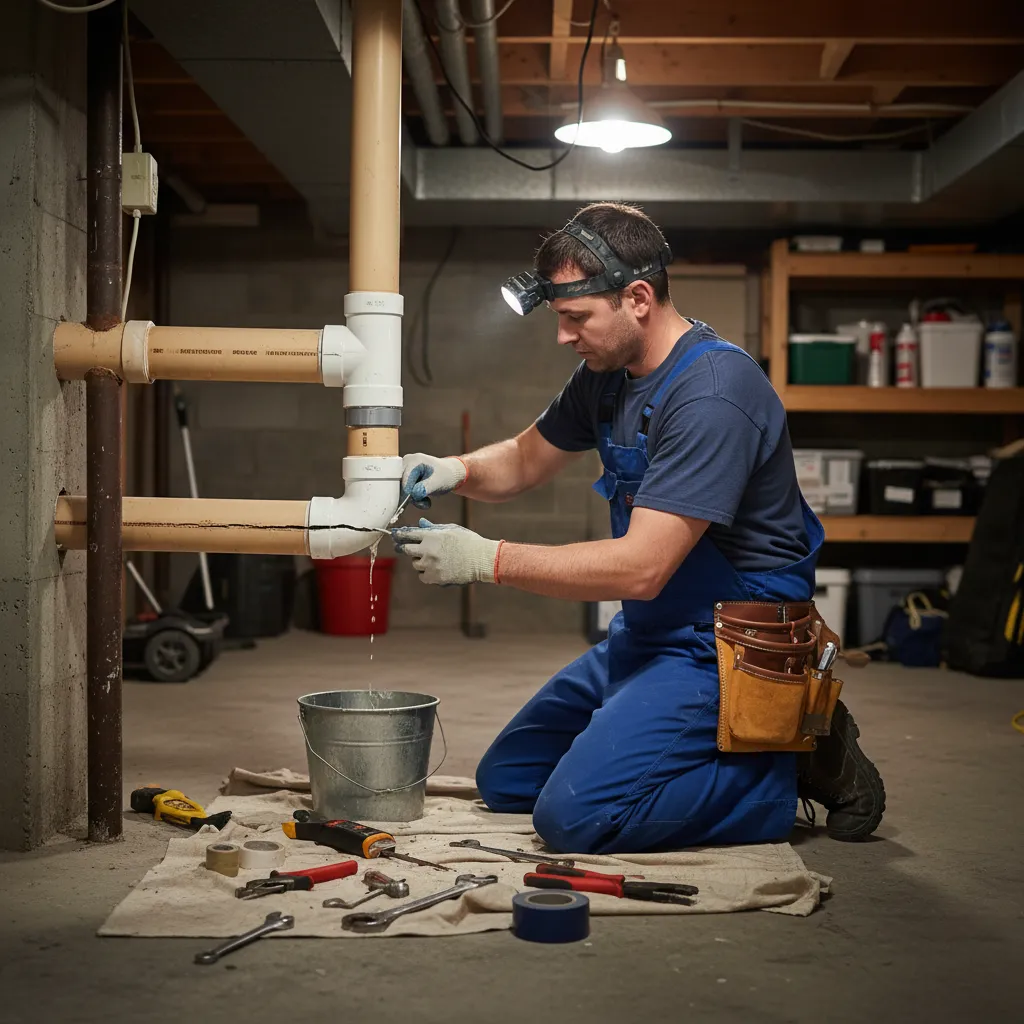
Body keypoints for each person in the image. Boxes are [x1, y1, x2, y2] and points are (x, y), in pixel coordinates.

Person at [392, 202, 884, 855]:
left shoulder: (712, 391)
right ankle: (716, 744)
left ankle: (786, 760)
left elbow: (643, 568)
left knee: (572, 819)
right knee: (509, 780)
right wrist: (452, 467)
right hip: (650, 635)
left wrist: (487, 560)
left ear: (639, 297)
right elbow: (521, 461)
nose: (564, 336)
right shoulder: (607, 376)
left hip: (728, 646)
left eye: (575, 319)